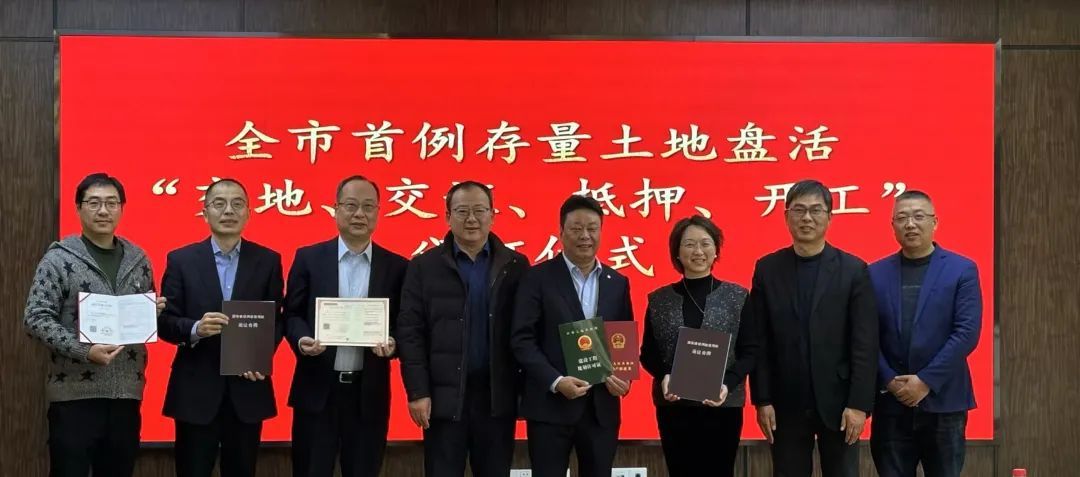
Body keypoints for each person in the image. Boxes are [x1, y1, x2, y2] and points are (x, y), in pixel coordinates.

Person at [23, 172, 165, 477]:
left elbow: (141, 322)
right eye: (94, 203)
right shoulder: (58, 259)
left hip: (126, 394)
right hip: (74, 395)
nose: (103, 211)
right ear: (78, 208)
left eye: (111, 203)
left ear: (122, 208)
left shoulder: (139, 260)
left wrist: (153, 312)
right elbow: (36, 317)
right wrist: (84, 351)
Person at [397, 181, 530, 477]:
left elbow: (526, 332)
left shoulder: (516, 266)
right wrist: (418, 391)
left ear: (492, 215)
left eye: (480, 211)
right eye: (462, 211)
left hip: (497, 397)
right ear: (447, 216)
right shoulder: (423, 267)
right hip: (443, 398)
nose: (472, 219)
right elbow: (410, 333)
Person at [748, 179, 878, 477]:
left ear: (829, 217)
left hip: (840, 404)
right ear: (786, 216)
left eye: (816, 210)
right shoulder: (767, 269)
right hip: (785, 403)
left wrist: (859, 404)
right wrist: (762, 400)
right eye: (799, 210)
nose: (807, 218)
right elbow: (761, 341)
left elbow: (864, 343)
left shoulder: (853, 270)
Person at [158, 178, 284, 477]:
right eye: (219, 204)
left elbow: (277, 319)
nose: (229, 211)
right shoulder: (181, 260)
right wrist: (196, 329)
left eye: (237, 204)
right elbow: (164, 322)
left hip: (247, 389)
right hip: (195, 389)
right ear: (205, 213)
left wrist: (259, 356)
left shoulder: (268, 260)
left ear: (249, 213)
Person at [285, 175, 408, 477]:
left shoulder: (397, 266)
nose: (359, 214)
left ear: (378, 212)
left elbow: (406, 324)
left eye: (368, 207)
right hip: (317, 389)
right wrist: (302, 340)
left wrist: (393, 343)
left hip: (368, 394)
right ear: (336, 209)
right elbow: (291, 314)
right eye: (351, 205)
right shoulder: (309, 258)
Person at [511, 195, 634, 477]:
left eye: (592, 228)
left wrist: (624, 378)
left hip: (601, 409)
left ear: (601, 231)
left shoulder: (617, 282)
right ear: (561, 232)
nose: (585, 236)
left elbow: (622, 340)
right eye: (576, 228)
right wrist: (556, 381)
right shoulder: (536, 278)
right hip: (550, 408)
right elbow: (522, 339)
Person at [868, 190, 981, 477]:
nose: (910, 224)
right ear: (892, 225)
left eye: (919, 216)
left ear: (935, 222)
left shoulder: (962, 270)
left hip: (944, 403)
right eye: (902, 218)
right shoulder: (873, 273)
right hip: (891, 404)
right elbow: (865, 336)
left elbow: (966, 332)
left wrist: (925, 381)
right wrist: (889, 380)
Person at [639, 215, 757, 477]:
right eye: (689, 244)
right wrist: (664, 375)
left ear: (716, 250)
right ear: (677, 252)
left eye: (705, 243)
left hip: (723, 406)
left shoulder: (737, 297)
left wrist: (727, 383)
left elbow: (750, 351)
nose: (698, 251)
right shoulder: (659, 300)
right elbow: (647, 353)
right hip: (674, 408)